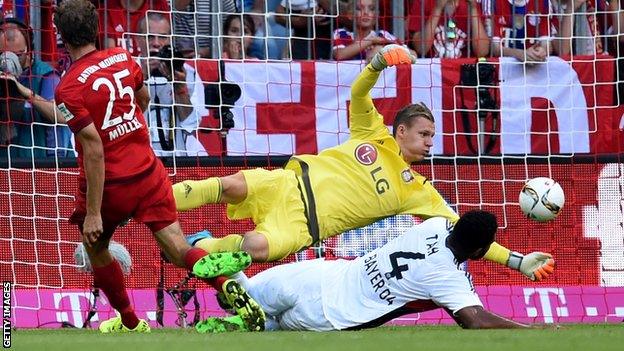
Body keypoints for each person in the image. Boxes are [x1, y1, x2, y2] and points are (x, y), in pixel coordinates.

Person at [172, 44, 552, 285]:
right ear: (400, 131)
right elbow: (358, 91)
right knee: (230, 184)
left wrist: (518, 262)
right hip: (289, 182)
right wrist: (379, 61)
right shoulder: (373, 133)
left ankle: (200, 247)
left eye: (432, 136)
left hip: (305, 225)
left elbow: (466, 234)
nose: (430, 142)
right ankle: (157, 201)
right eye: (423, 134)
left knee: (255, 247)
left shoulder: (417, 192)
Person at [53, 0, 263, 333]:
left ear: (61, 35)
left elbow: (93, 148)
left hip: (114, 185)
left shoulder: (66, 89)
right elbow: (143, 98)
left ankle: (131, 321)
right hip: (149, 171)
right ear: (94, 28)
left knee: (95, 246)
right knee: (179, 248)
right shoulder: (122, 58)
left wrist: (93, 212)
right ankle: (224, 284)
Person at [195, 210, 554, 332]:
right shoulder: (451, 280)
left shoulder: (433, 224)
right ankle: (244, 317)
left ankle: (212, 258)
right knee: (265, 328)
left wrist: (516, 259)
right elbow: (473, 320)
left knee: (249, 296)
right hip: (331, 313)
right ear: (478, 251)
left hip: (319, 273)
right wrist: (527, 330)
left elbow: (467, 236)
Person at [135, 11, 206, 156]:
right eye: (150, 37)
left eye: (162, 37)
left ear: (170, 40)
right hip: (137, 153)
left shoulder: (187, 72)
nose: (156, 43)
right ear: (138, 40)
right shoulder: (126, 71)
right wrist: (140, 77)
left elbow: (191, 127)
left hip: (177, 154)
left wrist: (180, 87)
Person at [0, 18, 71, 159]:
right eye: (2, 54)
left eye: (17, 55)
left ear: (29, 50)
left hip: (41, 161)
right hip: (6, 161)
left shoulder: (46, 75)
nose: (8, 61)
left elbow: (63, 116)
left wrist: (25, 92)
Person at [409, 0, 490, 58]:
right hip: (431, 72)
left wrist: (473, 9)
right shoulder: (422, 2)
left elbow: (482, 52)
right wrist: (438, 8)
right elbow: (420, 49)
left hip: (464, 72)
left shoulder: (471, 5)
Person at [487, 0, 557, 62]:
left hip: (535, 68)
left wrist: (542, 51)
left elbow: (546, 43)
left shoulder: (543, 2)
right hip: (504, 68)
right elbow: (494, 48)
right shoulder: (493, 2)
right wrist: (519, 54)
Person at [332, 0, 401, 61]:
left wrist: (382, 48)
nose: (366, 12)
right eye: (359, 9)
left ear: (377, 15)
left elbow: (409, 53)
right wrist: (370, 41)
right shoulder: (341, 33)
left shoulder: (383, 34)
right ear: (350, 14)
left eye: (371, 9)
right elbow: (339, 55)